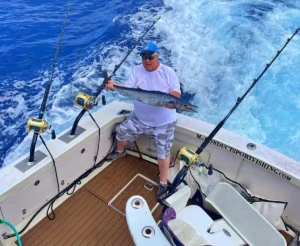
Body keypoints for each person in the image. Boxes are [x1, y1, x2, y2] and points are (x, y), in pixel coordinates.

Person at [106, 42, 181, 198]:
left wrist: (171, 102)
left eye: (150, 57)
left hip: (163, 124)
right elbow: (129, 89)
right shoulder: (136, 70)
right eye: (144, 57)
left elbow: (175, 93)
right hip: (138, 119)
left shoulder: (168, 72)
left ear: (157, 56)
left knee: (163, 153)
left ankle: (163, 183)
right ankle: (120, 152)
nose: (147, 60)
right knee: (120, 133)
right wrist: (115, 86)